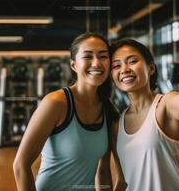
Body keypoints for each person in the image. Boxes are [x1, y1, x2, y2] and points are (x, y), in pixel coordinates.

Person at [109, 39, 179, 191]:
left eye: (132, 61)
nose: (124, 69)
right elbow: (123, 181)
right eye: (116, 65)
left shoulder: (165, 105)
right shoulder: (117, 125)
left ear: (151, 68)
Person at [13, 32, 118, 191]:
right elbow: (20, 165)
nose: (96, 63)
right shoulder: (56, 103)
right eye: (88, 56)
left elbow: (103, 172)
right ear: (74, 64)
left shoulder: (107, 108)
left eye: (103, 56)